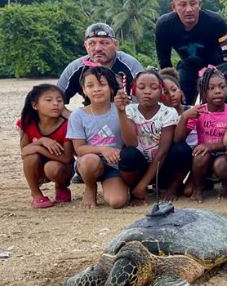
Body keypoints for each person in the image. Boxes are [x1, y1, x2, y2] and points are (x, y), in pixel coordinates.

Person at [67, 66, 137, 209]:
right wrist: (103, 149)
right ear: (84, 90)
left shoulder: (122, 109)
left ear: (111, 88)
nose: (96, 89)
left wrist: (122, 112)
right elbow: (79, 149)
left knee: (117, 202)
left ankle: (115, 184)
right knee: (90, 160)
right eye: (90, 85)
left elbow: (132, 143)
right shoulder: (78, 115)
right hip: (88, 162)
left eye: (102, 84)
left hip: (114, 164)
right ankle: (90, 187)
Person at [122, 69, 191, 203]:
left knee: (182, 150)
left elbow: (163, 152)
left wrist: (144, 184)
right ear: (134, 90)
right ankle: (134, 189)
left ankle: (172, 187)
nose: (147, 91)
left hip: (162, 167)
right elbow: (130, 143)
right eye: (141, 87)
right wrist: (121, 112)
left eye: (153, 87)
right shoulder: (129, 110)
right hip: (139, 167)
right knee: (128, 154)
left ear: (161, 92)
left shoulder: (168, 113)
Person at [155, 0, 227, 104]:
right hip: (188, 67)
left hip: (217, 67)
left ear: (200, 4)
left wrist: (224, 77)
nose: (189, 9)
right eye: (182, 5)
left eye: (193, 4)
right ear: (173, 7)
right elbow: (164, 62)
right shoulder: (164, 25)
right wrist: (170, 87)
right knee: (179, 97)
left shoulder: (216, 22)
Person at [175, 66, 227, 202]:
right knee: (188, 191)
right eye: (211, 88)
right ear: (203, 92)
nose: (218, 91)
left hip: (225, 156)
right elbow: (178, 139)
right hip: (204, 158)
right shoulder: (198, 112)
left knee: (221, 164)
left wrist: (210, 146)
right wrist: (184, 117)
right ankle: (198, 188)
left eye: (222, 87)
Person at [18, 84, 73, 208]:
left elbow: (67, 158)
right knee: (30, 157)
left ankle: (61, 187)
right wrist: (41, 141)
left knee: (52, 167)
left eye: (59, 100)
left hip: (62, 167)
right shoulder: (27, 123)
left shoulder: (67, 125)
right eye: (49, 100)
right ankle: (36, 194)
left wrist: (38, 148)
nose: (56, 104)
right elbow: (24, 152)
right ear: (35, 105)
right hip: (37, 166)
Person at [58, 23, 143, 103]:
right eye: (92, 43)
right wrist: (71, 116)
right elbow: (55, 98)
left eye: (104, 43)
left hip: (125, 113)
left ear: (115, 44)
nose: (98, 48)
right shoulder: (76, 68)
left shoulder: (130, 65)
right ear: (85, 45)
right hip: (91, 113)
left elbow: (143, 102)